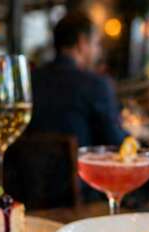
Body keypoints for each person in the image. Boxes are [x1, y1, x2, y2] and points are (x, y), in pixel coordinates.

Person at [29, 12, 127, 148]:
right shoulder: (96, 85)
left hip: (25, 168)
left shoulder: (30, 80)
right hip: (81, 169)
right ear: (82, 43)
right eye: (96, 43)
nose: (98, 51)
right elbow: (117, 142)